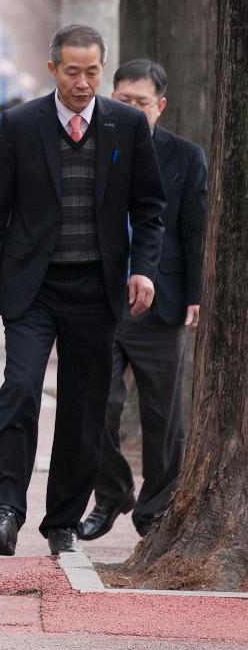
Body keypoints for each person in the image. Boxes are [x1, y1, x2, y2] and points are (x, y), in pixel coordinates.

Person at [0, 24, 166, 558]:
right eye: (73, 71)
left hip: (96, 288)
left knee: (84, 406)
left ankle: (62, 519)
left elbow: (149, 207)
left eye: (93, 71)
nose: (83, 83)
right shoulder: (18, 125)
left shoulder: (126, 125)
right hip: (32, 288)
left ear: (103, 70)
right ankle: (2, 510)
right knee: (21, 390)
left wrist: (143, 268)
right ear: (52, 68)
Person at [80, 60, 206, 540]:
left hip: (164, 301)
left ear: (161, 106)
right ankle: (111, 492)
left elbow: (193, 230)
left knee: (162, 414)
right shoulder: (92, 146)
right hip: (101, 299)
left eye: (141, 103)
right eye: (123, 101)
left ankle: (155, 510)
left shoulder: (185, 156)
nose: (131, 109)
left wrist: (194, 293)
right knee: (97, 404)